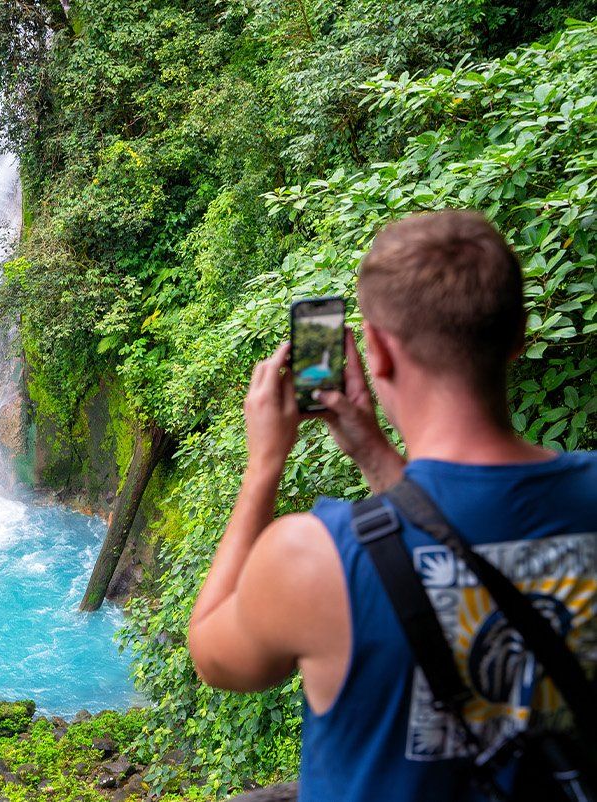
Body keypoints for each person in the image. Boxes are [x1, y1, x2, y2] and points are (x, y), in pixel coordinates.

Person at [185, 210, 596, 801]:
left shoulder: (315, 557)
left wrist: (263, 467)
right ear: (522, 333)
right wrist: (375, 456)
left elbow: (214, 655)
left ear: (375, 351)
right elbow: (441, 538)